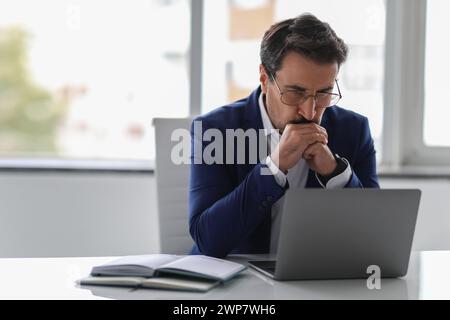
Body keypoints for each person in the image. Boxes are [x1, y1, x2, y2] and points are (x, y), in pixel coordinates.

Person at [188, 13, 380, 258]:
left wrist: (335, 173)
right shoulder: (213, 131)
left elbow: (374, 237)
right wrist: (274, 167)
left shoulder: (354, 130)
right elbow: (209, 240)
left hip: (315, 284)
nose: (310, 111)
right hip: (235, 283)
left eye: (324, 93)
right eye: (295, 92)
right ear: (264, 77)